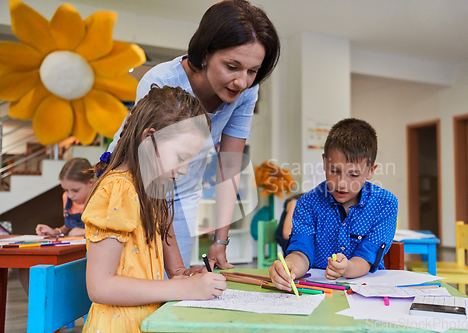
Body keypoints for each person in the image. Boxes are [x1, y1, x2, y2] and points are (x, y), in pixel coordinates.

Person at [109, 0, 280, 270]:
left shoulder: (246, 91)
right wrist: (177, 272)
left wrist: (220, 241)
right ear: (205, 52)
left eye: (253, 71)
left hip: (185, 185)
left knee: (175, 283)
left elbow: (229, 165)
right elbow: (153, 180)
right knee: (143, 272)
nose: (242, 82)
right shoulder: (163, 80)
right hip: (138, 182)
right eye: (232, 67)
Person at [82, 85, 226, 333]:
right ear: (149, 138)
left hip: (149, 320)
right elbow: (100, 287)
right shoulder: (118, 190)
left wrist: (190, 276)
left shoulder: (154, 193)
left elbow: (177, 271)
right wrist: (185, 288)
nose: (183, 171)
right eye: (181, 157)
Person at [269, 118, 398, 291]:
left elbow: (366, 258)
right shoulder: (307, 203)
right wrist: (290, 267)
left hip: (366, 293)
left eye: (353, 174)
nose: (342, 183)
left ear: (370, 171)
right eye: (334, 171)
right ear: (324, 162)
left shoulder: (385, 204)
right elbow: (301, 252)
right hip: (317, 293)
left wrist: (347, 268)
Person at [18, 158, 93, 294]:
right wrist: (56, 231)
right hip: (71, 248)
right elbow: (69, 227)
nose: (70, 195)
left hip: (91, 253)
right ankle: (40, 308)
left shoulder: (101, 198)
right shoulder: (67, 198)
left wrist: (84, 231)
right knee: (25, 268)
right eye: (66, 190)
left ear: (91, 182)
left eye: (75, 190)